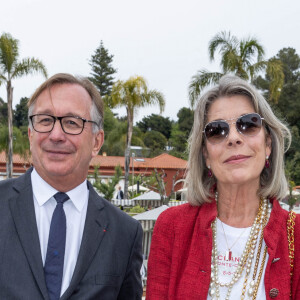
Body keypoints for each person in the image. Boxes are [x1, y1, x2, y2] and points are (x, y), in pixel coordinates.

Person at [146, 75, 300, 299]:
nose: (234, 138)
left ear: (268, 145)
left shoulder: (295, 235)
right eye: (217, 130)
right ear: (206, 154)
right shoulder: (172, 227)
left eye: (248, 124)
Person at [0, 73, 143, 300]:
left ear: (97, 142)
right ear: (30, 133)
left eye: (72, 123)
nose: (56, 135)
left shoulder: (124, 234)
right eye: (45, 120)